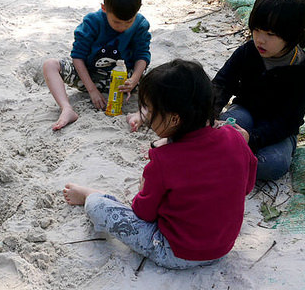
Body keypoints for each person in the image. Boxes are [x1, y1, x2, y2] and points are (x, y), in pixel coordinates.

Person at [64, 60, 257, 269]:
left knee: (98, 207)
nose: (145, 115)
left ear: (174, 119)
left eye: (148, 108)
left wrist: (143, 187)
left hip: (175, 251)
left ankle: (90, 195)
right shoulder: (235, 137)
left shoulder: (164, 160)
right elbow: (246, 187)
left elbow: (143, 213)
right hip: (222, 247)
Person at [212, 0, 305, 181]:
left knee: (274, 164)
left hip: (277, 132)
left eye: (270, 34)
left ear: (293, 35)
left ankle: (227, 161)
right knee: (224, 132)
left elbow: (288, 122)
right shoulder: (248, 51)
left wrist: (252, 138)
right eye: (256, 30)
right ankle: (230, 159)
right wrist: (209, 115)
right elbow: (222, 83)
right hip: (244, 112)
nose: (260, 40)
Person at [42, 0, 151, 131]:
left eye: (128, 22)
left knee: (160, 77)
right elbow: (77, 56)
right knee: (50, 65)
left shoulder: (140, 24)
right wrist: (92, 90)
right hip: (90, 76)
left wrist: (134, 79)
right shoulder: (92, 22)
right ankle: (66, 108)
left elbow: (142, 55)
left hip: (124, 81)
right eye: (117, 22)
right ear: (104, 8)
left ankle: (142, 113)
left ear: (138, 10)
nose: (123, 27)